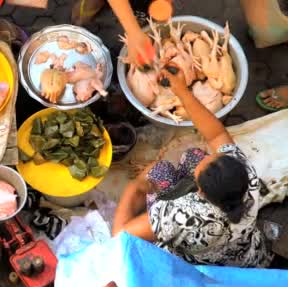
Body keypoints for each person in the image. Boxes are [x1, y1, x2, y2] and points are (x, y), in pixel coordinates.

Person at [112, 64, 274, 268]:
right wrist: (181, 90)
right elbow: (215, 134)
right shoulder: (246, 174)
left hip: (198, 266)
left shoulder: (182, 215)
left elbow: (120, 238)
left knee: (156, 172)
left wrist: (134, 187)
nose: (212, 154)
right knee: (192, 156)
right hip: (244, 252)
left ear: (200, 192)